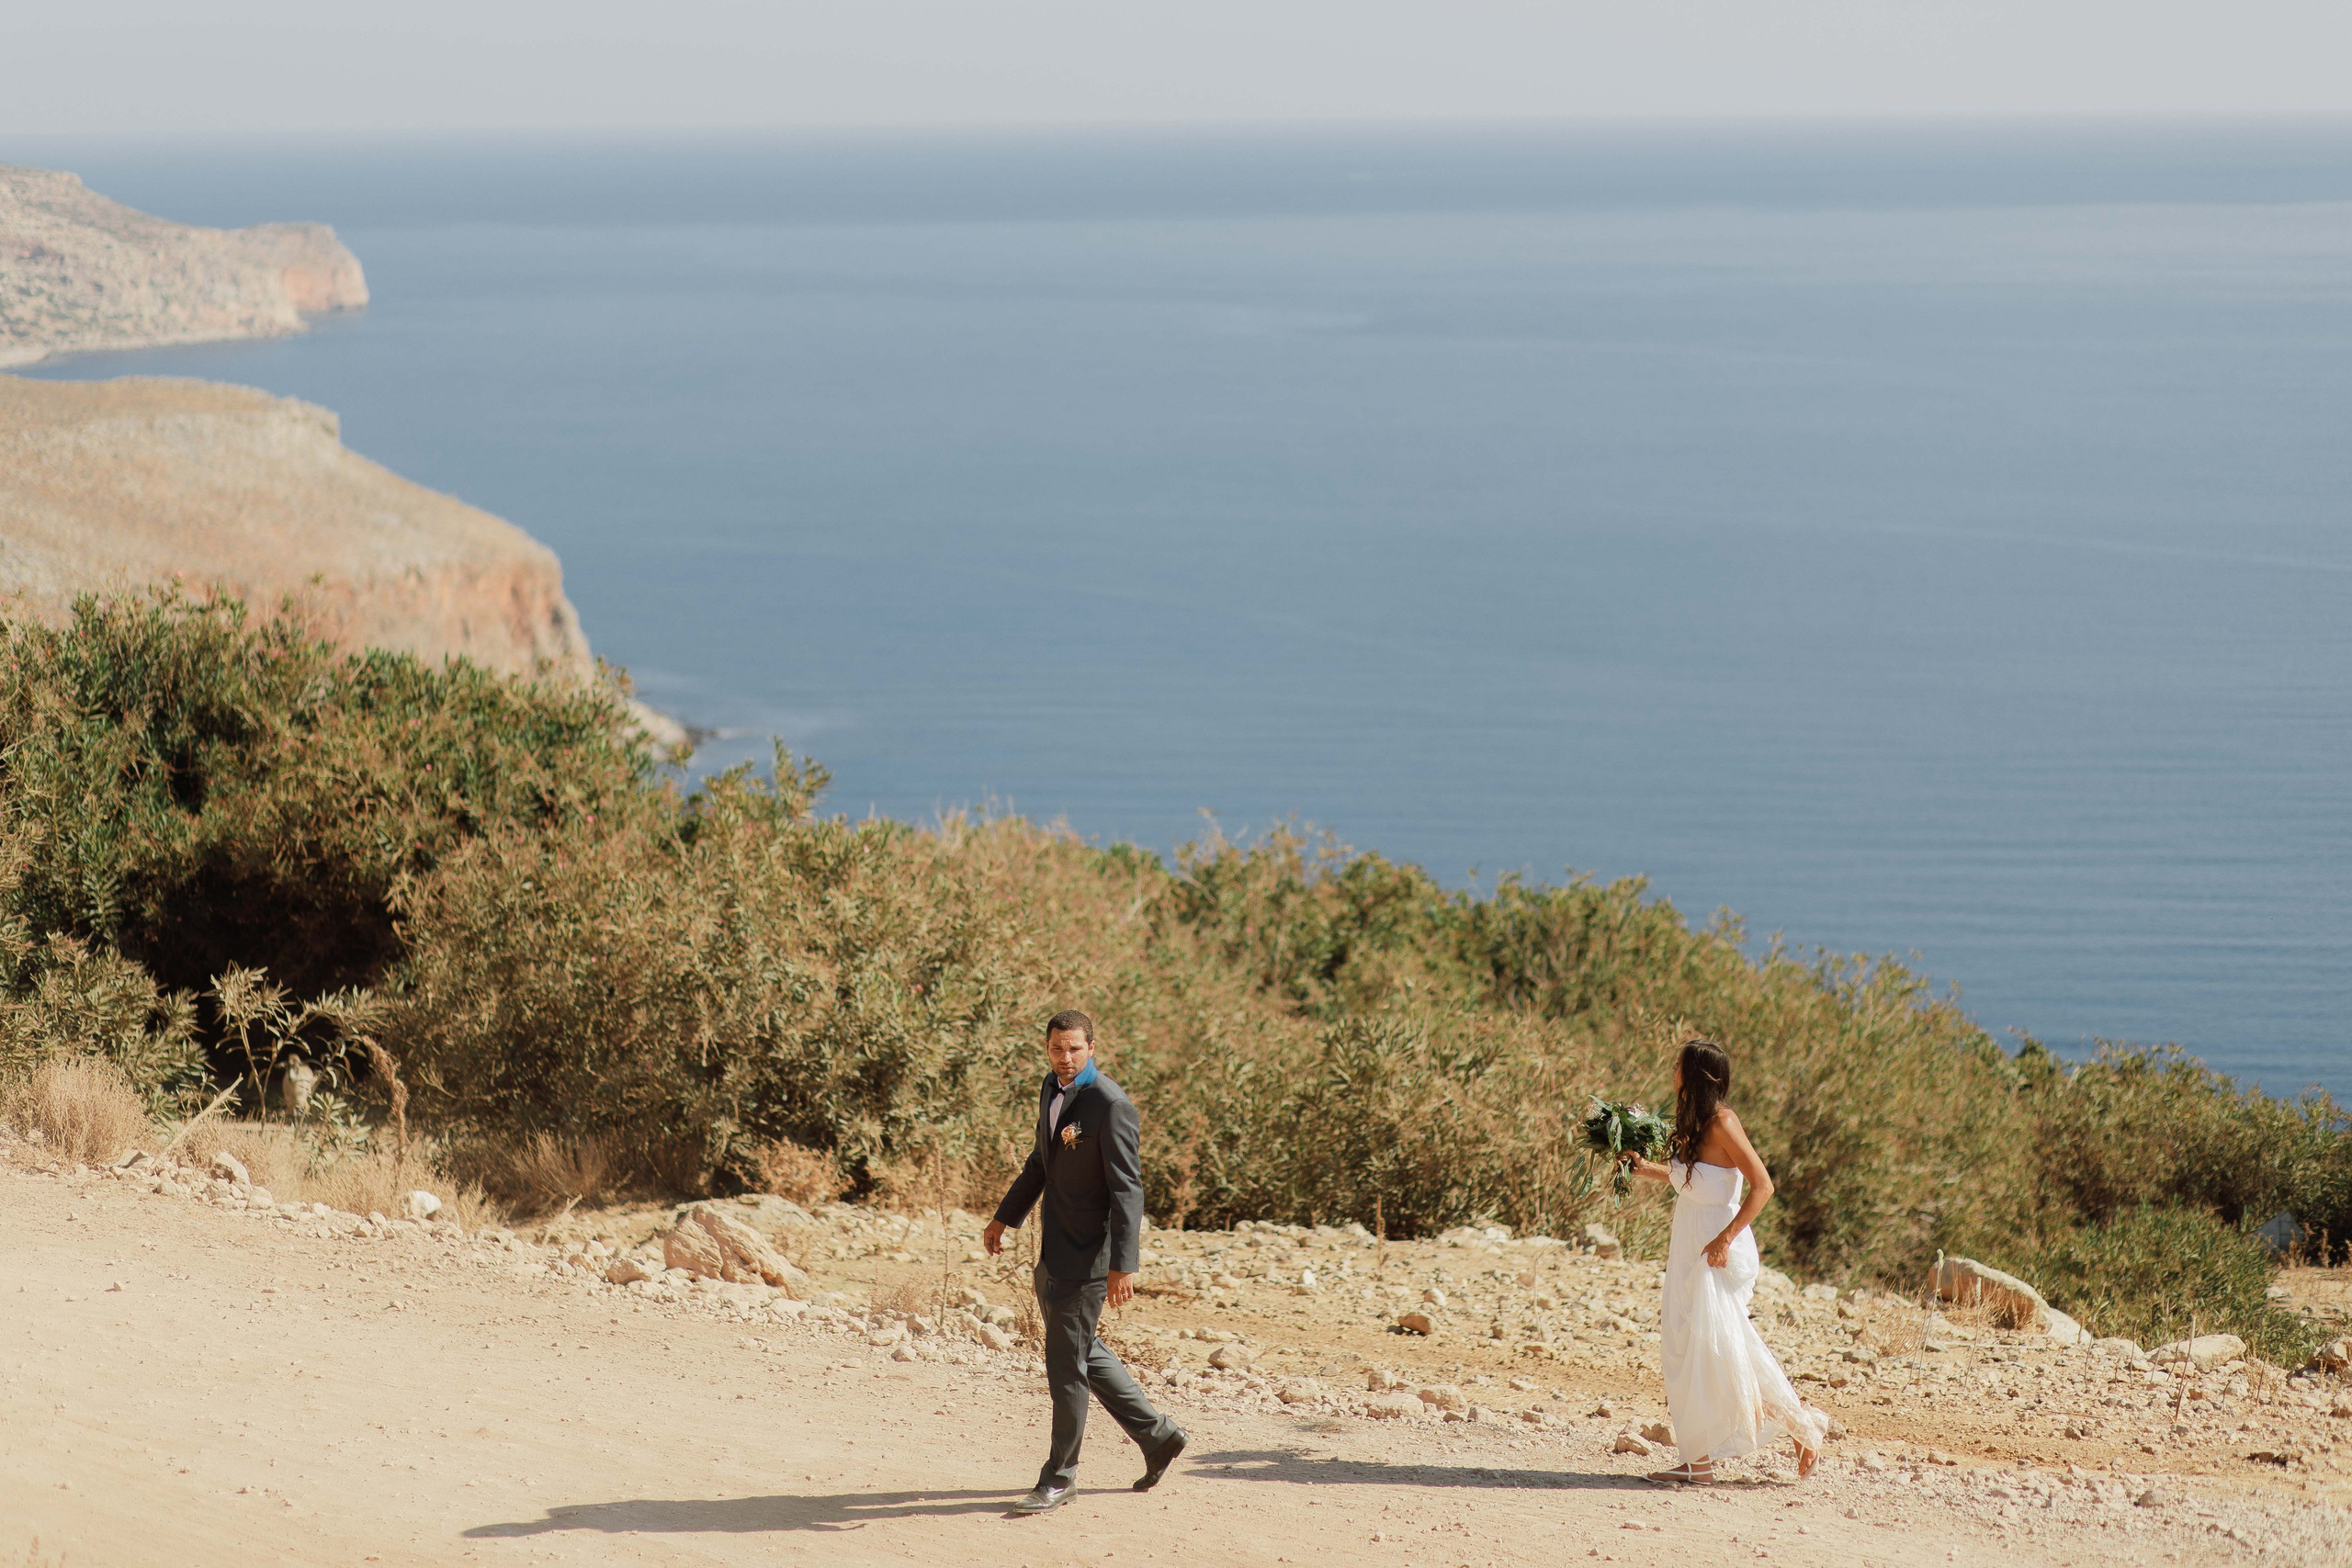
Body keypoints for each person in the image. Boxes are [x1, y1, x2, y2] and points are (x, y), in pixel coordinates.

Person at [984, 1010, 1187, 1515]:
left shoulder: (1110, 1104)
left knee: (1065, 1364)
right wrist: (1004, 1218)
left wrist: (1124, 1264)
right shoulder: (1051, 1089)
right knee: (1078, 1349)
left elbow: (1127, 1189)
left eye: (1075, 1048)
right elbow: (1040, 1163)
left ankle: (1060, 1477)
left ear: (1091, 1047)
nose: (1066, 1057)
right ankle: (1158, 1436)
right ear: (1047, 1048)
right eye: (1057, 1048)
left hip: (1090, 1258)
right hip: (1055, 1247)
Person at [1619, 1038, 1826, 1484]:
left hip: (1717, 1248)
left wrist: (1724, 1239)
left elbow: (1763, 1185)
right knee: (1688, 1346)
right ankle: (1700, 1461)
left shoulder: (1722, 1122)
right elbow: (1691, 1181)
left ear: (1694, 1075)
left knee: (1720, 1348)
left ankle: (1797, 1428)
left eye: (1678, 1065)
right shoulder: (1690, 1123)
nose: (1672, 1071)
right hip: (1688, 1242)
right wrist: (1643, 1168)